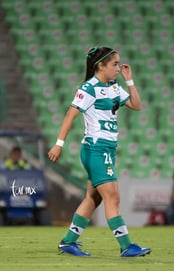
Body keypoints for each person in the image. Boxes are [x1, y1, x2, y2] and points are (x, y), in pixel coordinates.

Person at [48, 46, 151, 257]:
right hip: (96, 148)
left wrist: (129, 80)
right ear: (100, 66)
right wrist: (59, 143)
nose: (117, 68)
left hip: (106, 149)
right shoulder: (89, 88)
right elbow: (70, 115)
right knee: (113, 198)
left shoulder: (113, 87)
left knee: (93, 198)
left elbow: (137, 105)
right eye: (114, 64)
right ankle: (126, 246)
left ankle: (68, 242)